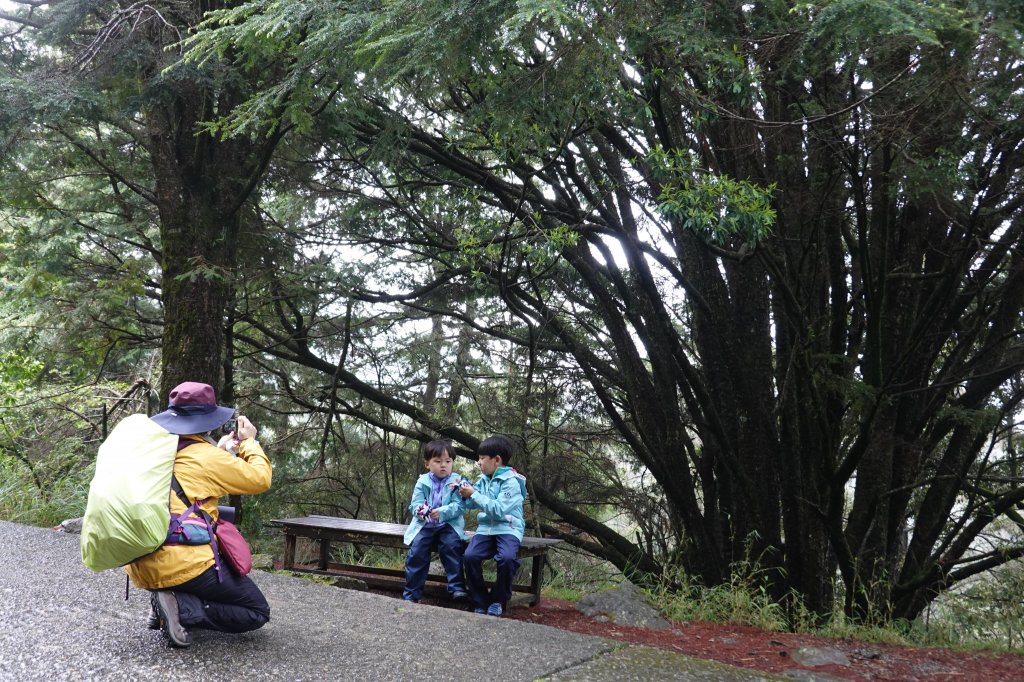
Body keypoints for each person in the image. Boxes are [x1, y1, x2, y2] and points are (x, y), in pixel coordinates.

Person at [127, 381, 273, 648]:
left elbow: (187, 481)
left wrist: (220, 451)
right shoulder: (206, 457)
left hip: (140, 560)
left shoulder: (153, 450)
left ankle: (165, 597)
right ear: (208, 420)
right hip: (182, 563)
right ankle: (180, 606)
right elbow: (260, 479)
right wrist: (249, 442)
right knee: (256, 611)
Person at [459, 435, 527, 617]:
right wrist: (463, 494)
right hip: (485, 530)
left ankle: (497, 599)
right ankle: (480, 601)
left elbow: (498, 510)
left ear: (497, 460)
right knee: (470, 556)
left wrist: (473, 494)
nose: (478, 462)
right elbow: (474, 503)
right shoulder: (483, 480)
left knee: (506, 558)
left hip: (508, 528)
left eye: (482, 458)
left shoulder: (511, 482)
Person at [402, 440, 469, 603]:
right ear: (427, 464)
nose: (443, 465)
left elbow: (459, 506)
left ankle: (457, 587)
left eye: (448, 461)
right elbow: (415, 504)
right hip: (425, 525)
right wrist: (424, 512)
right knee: (417, 551)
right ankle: (412, 593)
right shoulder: (422, 481)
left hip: (448, 525)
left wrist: (443, 512)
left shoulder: (457, 481)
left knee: (451, 546)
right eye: (437, 461)